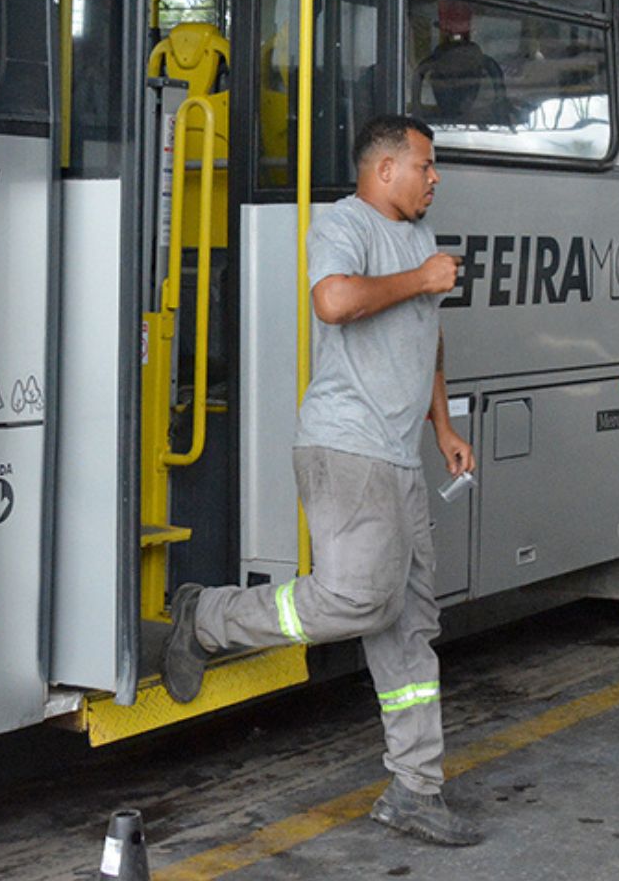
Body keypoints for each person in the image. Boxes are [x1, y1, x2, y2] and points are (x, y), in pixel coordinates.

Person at [161, 115, 482, 847]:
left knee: (410, 626)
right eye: (426, 165)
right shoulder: (345, 224)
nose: (436, 178)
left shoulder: (419, 241)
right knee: (358, 600)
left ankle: (415, 788)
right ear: (385, 169)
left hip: (399, 456)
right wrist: (422, 279)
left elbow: (429, 338)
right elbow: (333, 302)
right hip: (346, 448)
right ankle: (205, 616)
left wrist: (442, 427)